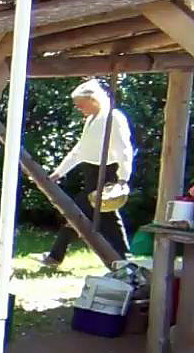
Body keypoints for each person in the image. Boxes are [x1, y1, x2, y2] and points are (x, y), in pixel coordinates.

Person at [39, 79, 133, 267]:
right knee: (100, 215)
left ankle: (55, 257)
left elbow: (124, 149)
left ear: (93, 100)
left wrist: (123, 178)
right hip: (91, 172)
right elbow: (80, 150)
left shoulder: (113, 117)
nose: (78, 109)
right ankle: (123, 259)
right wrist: (59, 172)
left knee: (77, 212)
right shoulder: (91, 120)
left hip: (106, 174)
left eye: (81, 104)